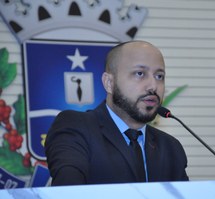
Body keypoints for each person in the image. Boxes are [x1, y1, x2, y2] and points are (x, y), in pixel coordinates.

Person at [45, 40, 189, 186]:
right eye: (140, 73)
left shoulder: (171, 148)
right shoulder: (77, 127)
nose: (153, 86)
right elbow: (68, 192)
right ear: (109, 83)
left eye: (159, 76)